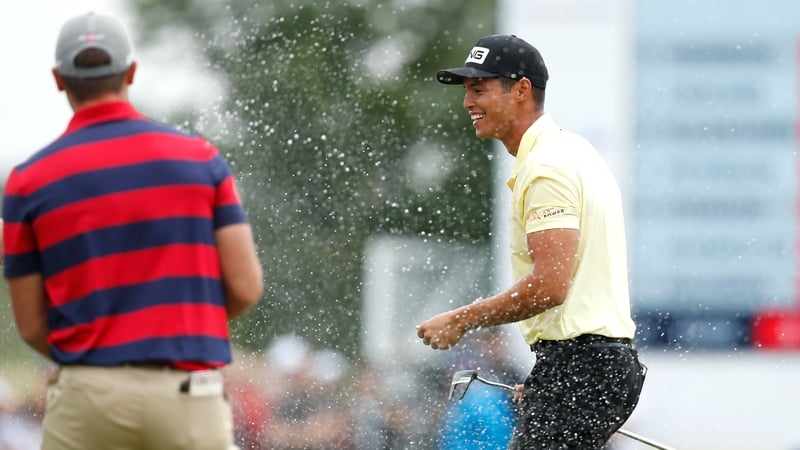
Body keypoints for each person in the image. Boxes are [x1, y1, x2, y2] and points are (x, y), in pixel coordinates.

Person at [2, 12, 264, 450]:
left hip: (87, 399)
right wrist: (182, 331)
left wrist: (97, 352)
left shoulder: (29, 181)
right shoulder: (201, 160)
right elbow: (245, 287)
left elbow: (31, 326)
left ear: (59, 79)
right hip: (187, 396)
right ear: (131, 71)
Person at [416, 34, 646, 449]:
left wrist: (460, 320)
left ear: (521, 89)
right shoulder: (568, 150)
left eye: (479, 89)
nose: (467, 102)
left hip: (584, 367)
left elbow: (550, 286)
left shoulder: (546, 167)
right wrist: (550, 378)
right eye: (467, 91)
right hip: (589, 366)